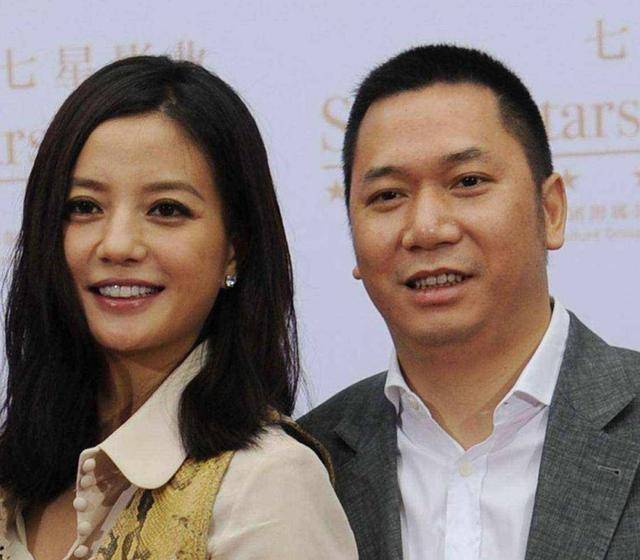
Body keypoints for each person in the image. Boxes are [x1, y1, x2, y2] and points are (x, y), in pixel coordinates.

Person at [0, 56, 358, 560]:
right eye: (84, 207)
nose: (117, 245)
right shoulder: (15, 472)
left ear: (234, 248)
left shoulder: (266, 484)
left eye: (166, 210)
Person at [299, 44, 640, 560]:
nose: (426, 228)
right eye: (388, 195)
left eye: (468, 182)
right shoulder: (305, 463)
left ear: (550, 211)